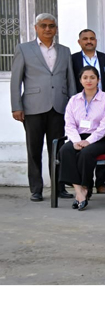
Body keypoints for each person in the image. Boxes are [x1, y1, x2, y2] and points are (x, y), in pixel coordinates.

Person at [10, 13, 76, 202]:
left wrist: (73, 106)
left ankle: (59, 187)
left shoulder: (64, 51)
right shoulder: (24, 49)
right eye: (43, 25)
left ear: (56, 29)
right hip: (32, 107)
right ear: (36, 28)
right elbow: (16, 80)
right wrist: (16, 106)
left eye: (51, 26)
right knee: (34, 149)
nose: (48, 29)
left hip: (59, 107)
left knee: (58, 149)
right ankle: (36, 189)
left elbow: (70, 80)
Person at [58, 66, 105, 210]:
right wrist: (76, 141)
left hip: (101, 138)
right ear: (80, 80)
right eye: (85, 78)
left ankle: (85, 187)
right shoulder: (74, 100)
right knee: (65, 150)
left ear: (98, 80)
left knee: (85, 153)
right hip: (78, 137)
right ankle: (80, 191)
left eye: (92, 77)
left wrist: (88, 141)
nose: (89, 80)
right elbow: (69, 124)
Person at [72, 29, 105, 96]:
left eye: (92, 39)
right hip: (80, 99)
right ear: (79, 42)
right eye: (85, 39)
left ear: (96, 41)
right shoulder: (72, 60)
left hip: (103, 99)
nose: (89, 41)